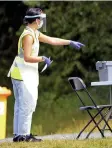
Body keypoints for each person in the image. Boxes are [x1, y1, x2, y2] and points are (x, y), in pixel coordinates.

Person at [7, 8, 85, 142]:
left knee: (22, 105)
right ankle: (23, 135)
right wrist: (42, 58)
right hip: (22, 73)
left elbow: (52, 40)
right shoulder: (28, 36)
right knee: (26, 105)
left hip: (23, 73)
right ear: (37, 20)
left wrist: (69, 42)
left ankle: (20, 135)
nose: (43, 21)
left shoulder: (34, 33)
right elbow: (27, 57)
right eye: (42, 19)